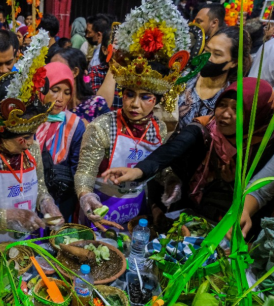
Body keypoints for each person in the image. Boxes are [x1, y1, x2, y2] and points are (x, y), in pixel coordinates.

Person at [75, 0, 189, 227]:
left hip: (136, 210)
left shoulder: (159, 127)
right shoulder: (102, 126)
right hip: (99, 210)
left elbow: (156, 166)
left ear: (156, 100)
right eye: (129, 95)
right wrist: (86, 195)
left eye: (145, 97)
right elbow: (85, 172)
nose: (134, 104)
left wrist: (169, 180)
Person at [103, 78, 274, 226]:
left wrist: (232, 183)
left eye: (237, 109)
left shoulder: (266, 147)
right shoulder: (207, 127)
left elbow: (262, 191)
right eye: (222, 105)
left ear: (256, 114)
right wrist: (138, 170)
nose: (225, 114)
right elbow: (173, 149)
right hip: (192, 212)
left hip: (237, 224)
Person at [0, 30, 64, 260]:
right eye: (21, 139)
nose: (28, 145)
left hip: (25, 244)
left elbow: (40, 187)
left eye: (31, 136)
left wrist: (47, 204)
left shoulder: (32, 148)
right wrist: (6, 216)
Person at [36, 62, 86, 222]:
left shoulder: (75, 125)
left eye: (66, 93)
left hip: (60, 198)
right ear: (42, 88)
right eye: (55, 90)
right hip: (30, 194)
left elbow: (77, 167)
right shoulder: (28, 118)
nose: (60, 99)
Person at [177, 26, 252, 131]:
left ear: (234, 62)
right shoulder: (184, 78)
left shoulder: (228, 101)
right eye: (206, 50)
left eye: (217, 54)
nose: (207, 57)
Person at [51, 48, 110, 123]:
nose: (52, 72)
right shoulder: (51, 105)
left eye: (57, 69)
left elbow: (109, 132)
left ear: (75, 72)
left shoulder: (96, 104)